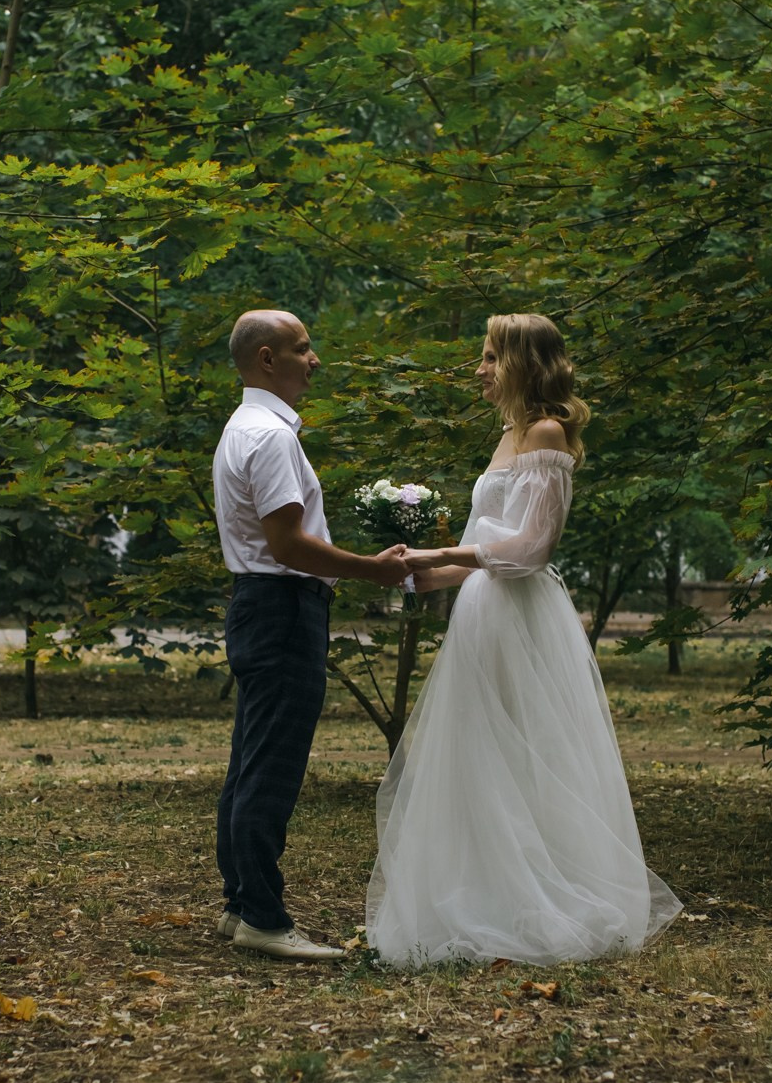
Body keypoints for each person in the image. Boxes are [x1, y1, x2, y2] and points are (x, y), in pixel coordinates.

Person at [369, 313, 680, 965]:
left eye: (489, 357)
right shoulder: (508, 435)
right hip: (481, 611)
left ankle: (543, 899)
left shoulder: (545, 433)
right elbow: (488, 544)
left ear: (522, 362)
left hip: (520, 615)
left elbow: (530, 549)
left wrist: (447, 550)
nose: (479, 369)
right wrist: (417, 573)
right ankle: (484, 891)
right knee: (480, 751)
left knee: (522, 751)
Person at [213, 309, 410, 961]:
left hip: (259, 604)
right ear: (268, 359)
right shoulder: (269, 437)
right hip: (282, 608)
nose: (315, 360)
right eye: (303, 349)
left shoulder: (243, 428)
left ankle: (241, 904)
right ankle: (263, 919)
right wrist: (372, 569)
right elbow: (290, 544)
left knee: (249, 762)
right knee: (270, 770)